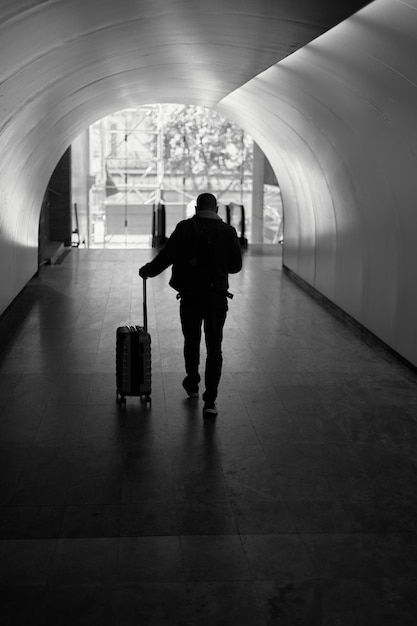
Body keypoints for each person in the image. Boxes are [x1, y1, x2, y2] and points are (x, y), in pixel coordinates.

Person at [139, 192, 243, 417]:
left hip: (190, 296)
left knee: (192, 340)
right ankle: (211, 402)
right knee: (214, 347)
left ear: (196, 208)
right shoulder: (228, 232)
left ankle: (193, 383)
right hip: (216, 299)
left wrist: (147, 271)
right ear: (216, 210)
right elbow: (236, 266)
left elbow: (166, 257)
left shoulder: (185, 228)